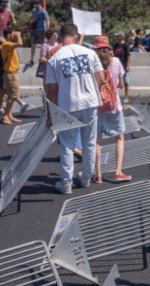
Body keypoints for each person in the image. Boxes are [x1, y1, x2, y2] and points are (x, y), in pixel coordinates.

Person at [45, 23, 104, 195]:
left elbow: (51, 91)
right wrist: (93, 92)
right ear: (76, 36)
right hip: (90, 103)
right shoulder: (89, 52)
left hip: (67, 104)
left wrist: (50, 114)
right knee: (89, 142)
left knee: (67, 145)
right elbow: (100, 77)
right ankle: (86, 178)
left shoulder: (54, 59)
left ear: (60, 37)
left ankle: (66, 183)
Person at [91, 36, 132, 183]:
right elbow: (121, 85)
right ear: (108, 48)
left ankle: (98, 175)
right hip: (113, 106)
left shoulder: (92, 63)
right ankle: (118, 171)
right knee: (119, 138)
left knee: (97, 141)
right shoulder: (116, 62)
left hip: (97, 106)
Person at [0, 29, 24, 125]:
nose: (14, 36)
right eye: (13, 34)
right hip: (10, 74)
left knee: (14, 95)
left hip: (13, 73)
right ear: (8, 35)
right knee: (12, 95)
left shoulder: (9, 45)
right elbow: (20, 43)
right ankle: (5, 116)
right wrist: (18, 34)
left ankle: (9, 115)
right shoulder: (6, 44)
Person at [28, 0, 49, 66]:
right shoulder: (34, 10)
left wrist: (47, 30)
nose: (35, 6)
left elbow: (47, 20)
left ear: (39, 4)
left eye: (36, 5)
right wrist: (32, 26)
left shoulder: (43, 11)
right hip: (35, 30)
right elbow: (33, 18)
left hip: (42, 30)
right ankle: (31, 59)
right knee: (33, 44)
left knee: (43, 45)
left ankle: (43, 59)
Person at [112, 32, 131, 102]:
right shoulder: (115, 45)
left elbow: (128, 56)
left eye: (118, 36)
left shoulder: (125, 45)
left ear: (121, 37)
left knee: (126, 81)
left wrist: (128, 66)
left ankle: (126, 96)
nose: (116, 37)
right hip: (116, 66)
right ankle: (115, 96)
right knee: (115, 81)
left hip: (124, 65)